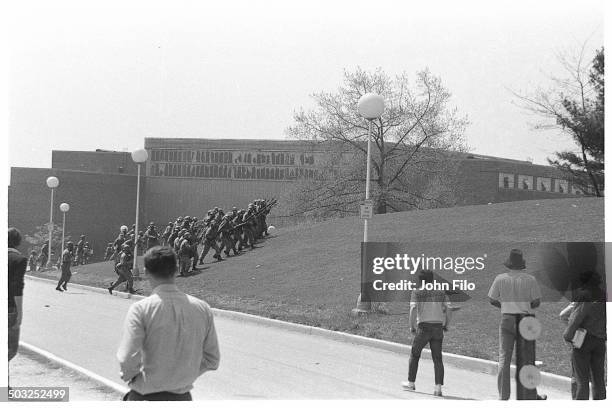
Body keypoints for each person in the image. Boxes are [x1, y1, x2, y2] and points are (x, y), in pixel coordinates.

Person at [116, 246, 220, 400]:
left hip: (145, 395)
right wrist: (184, 375)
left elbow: (127, 358)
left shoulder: (141, 309)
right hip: (182, 396)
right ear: (176, 270)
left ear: (146, 272)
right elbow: (212, 359)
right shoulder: (202, 308)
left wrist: (136, 377)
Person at [488, 249, 546, 400]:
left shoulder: (500, 278)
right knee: (527, 360)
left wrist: (504, 306)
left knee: (504, 358)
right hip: (525, 321)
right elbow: (536, 302)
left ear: (509, 264)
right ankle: (530, 394)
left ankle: (503, 396)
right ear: (522, 264)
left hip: (507, 318)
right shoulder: (530, 279)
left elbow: (492, 299)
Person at [401, 269, 451, 397]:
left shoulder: (417, 292)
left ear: (420, 280)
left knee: (415, 354)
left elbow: (413, 309)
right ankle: (438, 388)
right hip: (438, 327)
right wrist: (446, 324)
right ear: (432, 279)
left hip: (423, 328)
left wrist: (411, 326)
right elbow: (449, 308)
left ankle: (411, 383)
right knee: (437, 358)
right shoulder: (441, 292)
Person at [563, 270, 606, 400]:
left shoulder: (585, 295)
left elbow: (575, 319)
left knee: (581, 380)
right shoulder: (604, 295)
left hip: (584, 341)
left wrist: (568, 336)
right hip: (600, 341)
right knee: (598, 380)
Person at [8, 227, 27, 362]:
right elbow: (17, 287)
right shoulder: (18, 260)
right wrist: (19, 312)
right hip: (9, 308)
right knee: (10, 350)